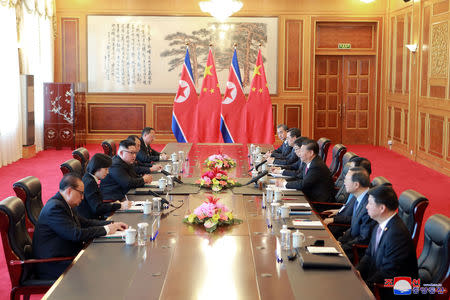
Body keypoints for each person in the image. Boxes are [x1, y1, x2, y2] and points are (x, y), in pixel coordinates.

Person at [32, 173, 128, 279]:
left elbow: (85, 222)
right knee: (104, 267)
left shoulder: (64, 203)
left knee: (105, 258)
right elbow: (76, 234)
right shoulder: (55, 208)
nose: (83, 197)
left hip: (67, 255)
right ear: (69, 191)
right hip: (54, 264)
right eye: (81, 193)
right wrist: (106, 229)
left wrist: (110, 224)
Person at [357, 185, 418, 295]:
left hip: (392, 292)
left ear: (382, 208)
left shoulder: (396, 234)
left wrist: (363, 287)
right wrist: (357, 271)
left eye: (370, 203)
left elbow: (388, 272)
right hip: (376, 283)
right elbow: (369, 255)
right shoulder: (379, 225)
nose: (366, 207)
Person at [329, 168, 376, 259]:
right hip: (349, 243)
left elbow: (363, 239)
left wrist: (342, 247)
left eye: (346, 180)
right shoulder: (358, 197)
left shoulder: (369, 205)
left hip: (356, 253)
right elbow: (353, 227)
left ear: (356, 185)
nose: (344, 183)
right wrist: (340, 241)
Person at [276, 139, 335, 209]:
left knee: (283, 205)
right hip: (309, 196)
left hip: (318, 203)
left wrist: (284, 184)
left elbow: (303, 184)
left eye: (302, 151)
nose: (299, 153)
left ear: (311, 153)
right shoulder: (310, 161)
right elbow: (299, 177)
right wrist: (284, 181)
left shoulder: (316, 166)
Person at [77, 153, 130, 220]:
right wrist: (120, 206)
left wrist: (113, 204)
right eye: (106, 169)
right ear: (97, 168)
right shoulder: (90, 183)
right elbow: (97, 208)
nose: (108, 172)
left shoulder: (88, 177)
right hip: (91, 221)